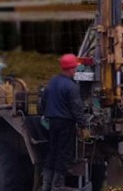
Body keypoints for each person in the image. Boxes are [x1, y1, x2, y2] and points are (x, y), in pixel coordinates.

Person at [40, 53, 90, 191]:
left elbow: (43, 102)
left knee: (52, 151)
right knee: (63, 153)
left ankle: (46, 184)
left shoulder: (52, 82)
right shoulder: (71, 86)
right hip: (66, 124)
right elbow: (77, 108)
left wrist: (47, 114)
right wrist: (83, 125)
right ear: (71, 69)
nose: (75, 71)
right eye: (75, 68)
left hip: (52, 122)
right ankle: (57, 184)